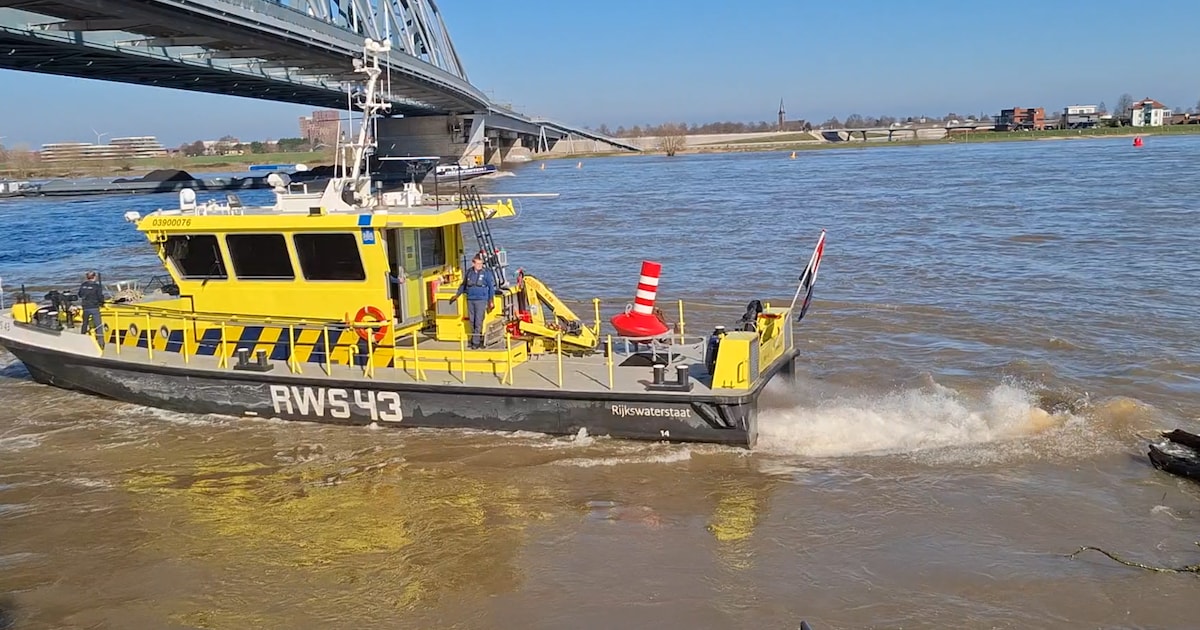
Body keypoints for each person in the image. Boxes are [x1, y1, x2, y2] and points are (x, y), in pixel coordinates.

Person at [451, 254, 495, 349]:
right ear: (473, 263)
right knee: (472, 321)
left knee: (478, 321)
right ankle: (475, 337)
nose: (480, 265)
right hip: (470, 299)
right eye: (478, 264)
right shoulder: (469, 272)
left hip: (481, 299)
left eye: (481, 264)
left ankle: (475, 342)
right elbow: (463, 285)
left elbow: (491, 287)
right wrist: (457, 295)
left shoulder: (486, 273)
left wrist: (491, 300)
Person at [77, 270, 105, 345]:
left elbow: (79, 295)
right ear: (94, 277)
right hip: (94, 307)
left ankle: (82, 337)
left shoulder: (83, 285)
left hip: (85, 307)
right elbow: (100, 297)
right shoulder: (97, 286)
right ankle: (101, 342)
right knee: (98, 325)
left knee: (85, 323)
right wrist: (102, 302)